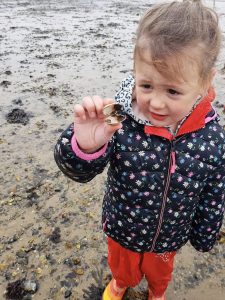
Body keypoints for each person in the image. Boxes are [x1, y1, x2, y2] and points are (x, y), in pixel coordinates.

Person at [54, 0, 225, 299]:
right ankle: (120, 283)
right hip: (123, 229)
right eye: (146, 86)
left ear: (205, 81)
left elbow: (214, 192)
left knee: (160, 275)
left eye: (172, 90)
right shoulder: (117, 115)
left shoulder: (212, 137)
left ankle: (156, 293)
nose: (156, 103)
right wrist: (85, 144)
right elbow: (76, 171)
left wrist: (204, 234)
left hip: (169, 237)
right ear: (135, 71)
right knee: (123, 268)